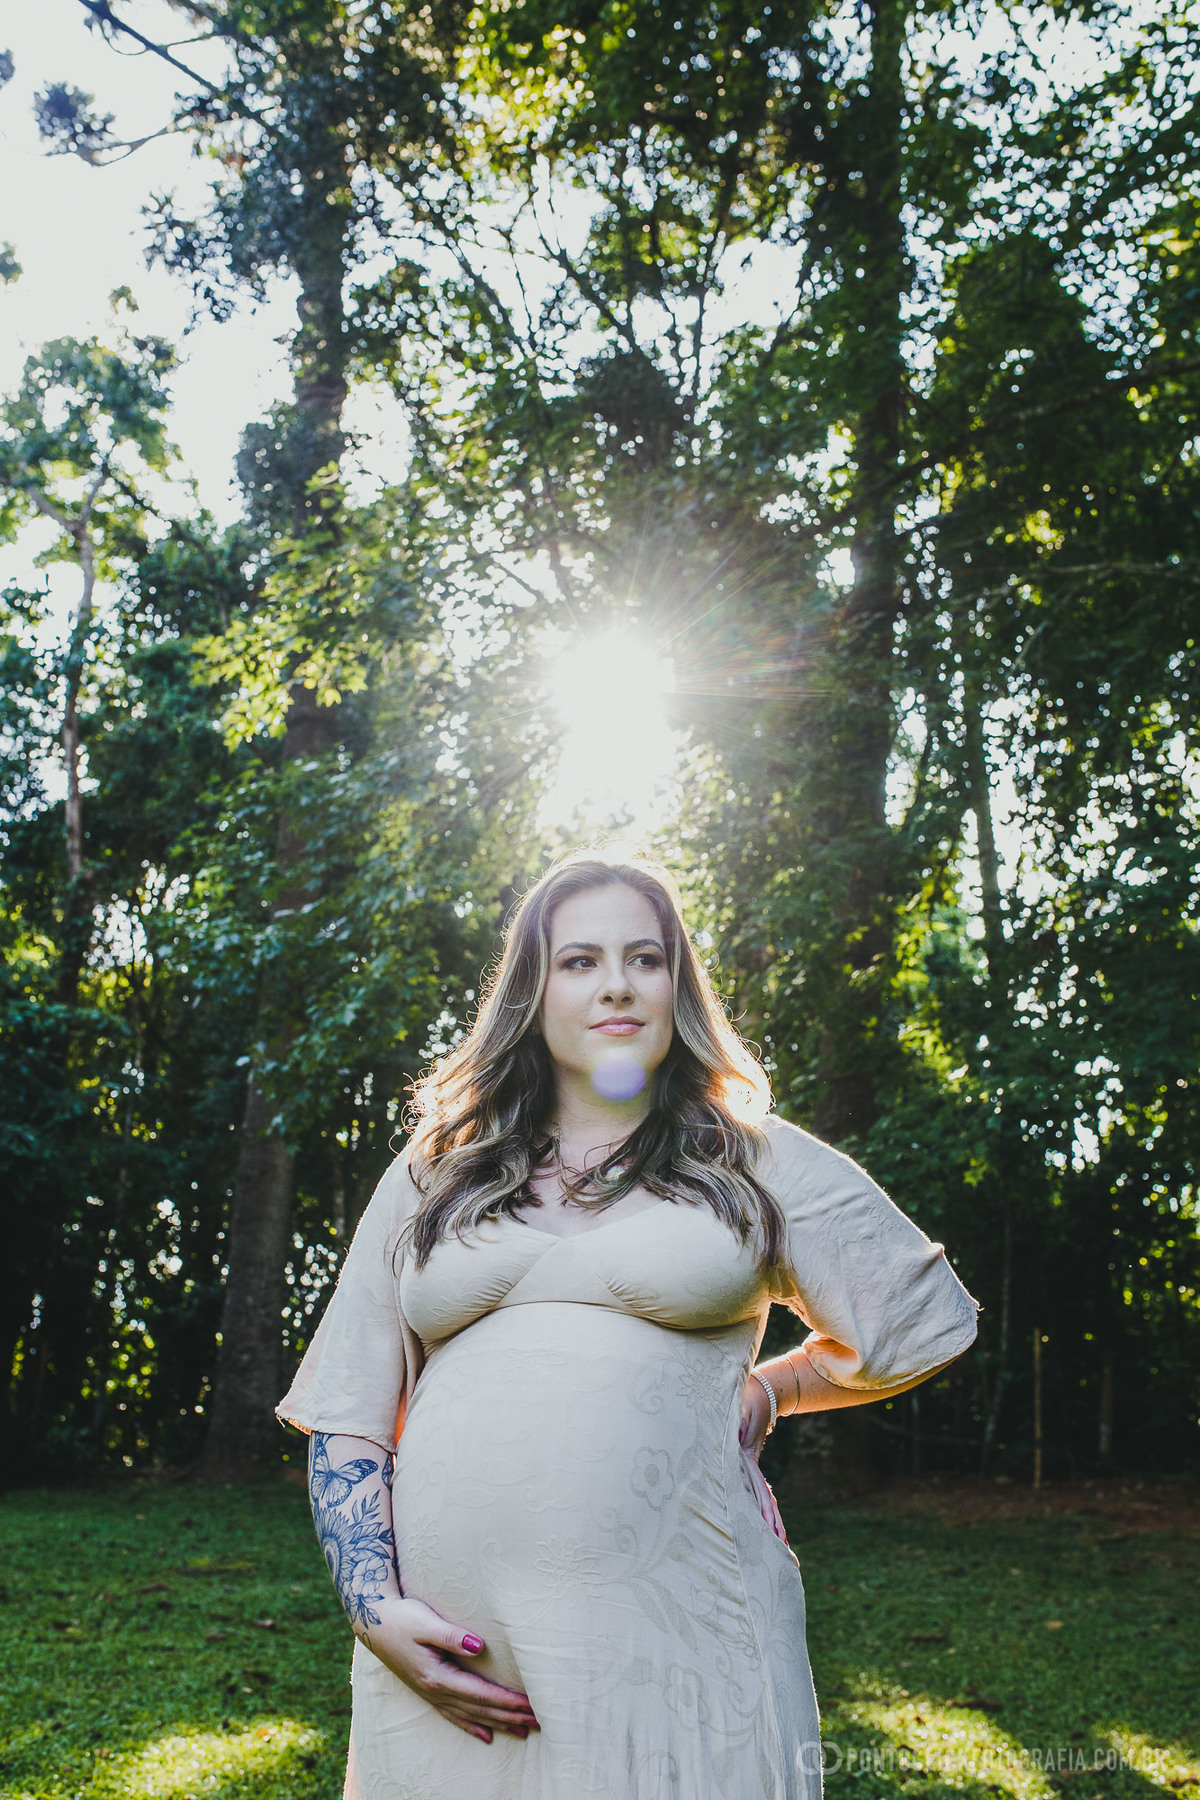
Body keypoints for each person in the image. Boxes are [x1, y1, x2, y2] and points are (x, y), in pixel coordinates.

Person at [278, 849, 979, 1800]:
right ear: (532, 989)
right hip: (451, 1663)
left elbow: (915, 1321)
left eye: (645, 959)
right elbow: (350, 1405)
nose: (617, 984)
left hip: (682, 1636)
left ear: (677, 983)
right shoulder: (435, 1171)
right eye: (580, 961)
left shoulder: (753, 1159)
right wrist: (371, 1607)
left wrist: (769, 1390)